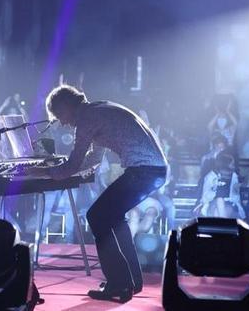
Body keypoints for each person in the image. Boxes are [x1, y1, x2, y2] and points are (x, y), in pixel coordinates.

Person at [41, 85, 167, 302]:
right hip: (152, 170)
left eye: (60, 115)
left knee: (97, 216)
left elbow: (72, 166)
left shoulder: (87, 118)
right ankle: (132, 281)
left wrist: (43, 171)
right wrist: (62, 167)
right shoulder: (97, 109)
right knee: (114, 218)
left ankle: (119, 283)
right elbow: (94, 159)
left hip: (143, 170)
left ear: (68, 106)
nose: (61, 122)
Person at [193, 153, 245, 219]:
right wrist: (216, 193)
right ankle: (223, 226)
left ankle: (219, 226)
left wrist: (227, 196)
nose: (233, 166)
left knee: (217, 211)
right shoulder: (211, 176)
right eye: (232, 164)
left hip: (229, 203)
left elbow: (236, 196)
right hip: (211, 203)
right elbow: (205, 196)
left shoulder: (234, 176)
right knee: (219, 200)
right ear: (225, 164)